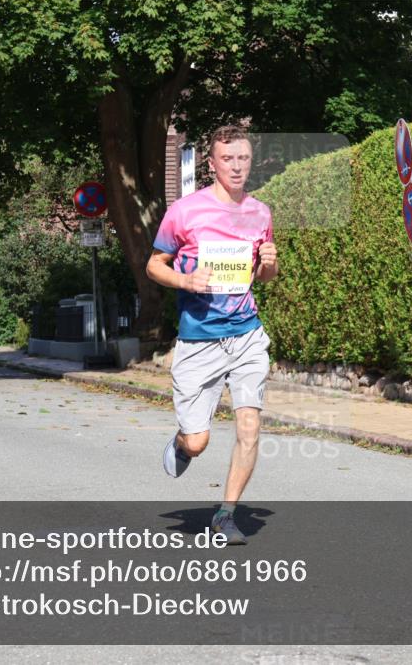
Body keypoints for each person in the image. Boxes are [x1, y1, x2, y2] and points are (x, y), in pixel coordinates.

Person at [145, 124, 279, 545]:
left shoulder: (260, 212)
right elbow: (154, 265)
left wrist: (270, 263)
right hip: (199, 338)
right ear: (212, 163)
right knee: (199, 441)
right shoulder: (185, 211)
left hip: (246, 335)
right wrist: (185, 282)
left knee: (249, 428)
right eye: (228, 159)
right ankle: (184, 444)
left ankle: (226, 514)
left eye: (242, 158)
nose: (236, 167)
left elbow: (262, 277)